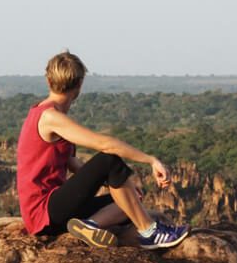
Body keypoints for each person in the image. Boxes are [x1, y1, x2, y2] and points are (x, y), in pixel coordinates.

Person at [16, 51, 190, 249]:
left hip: (56, 209)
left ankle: (89, 226)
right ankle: (150, 232)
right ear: (80, 84)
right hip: (45, 212)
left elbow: (72, 164)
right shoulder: (49, 117)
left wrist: (119, 185)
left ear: (48, 80)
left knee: (132, 198)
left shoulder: (43, 113)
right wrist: (151, 160)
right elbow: (106, 145)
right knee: (109, 159)